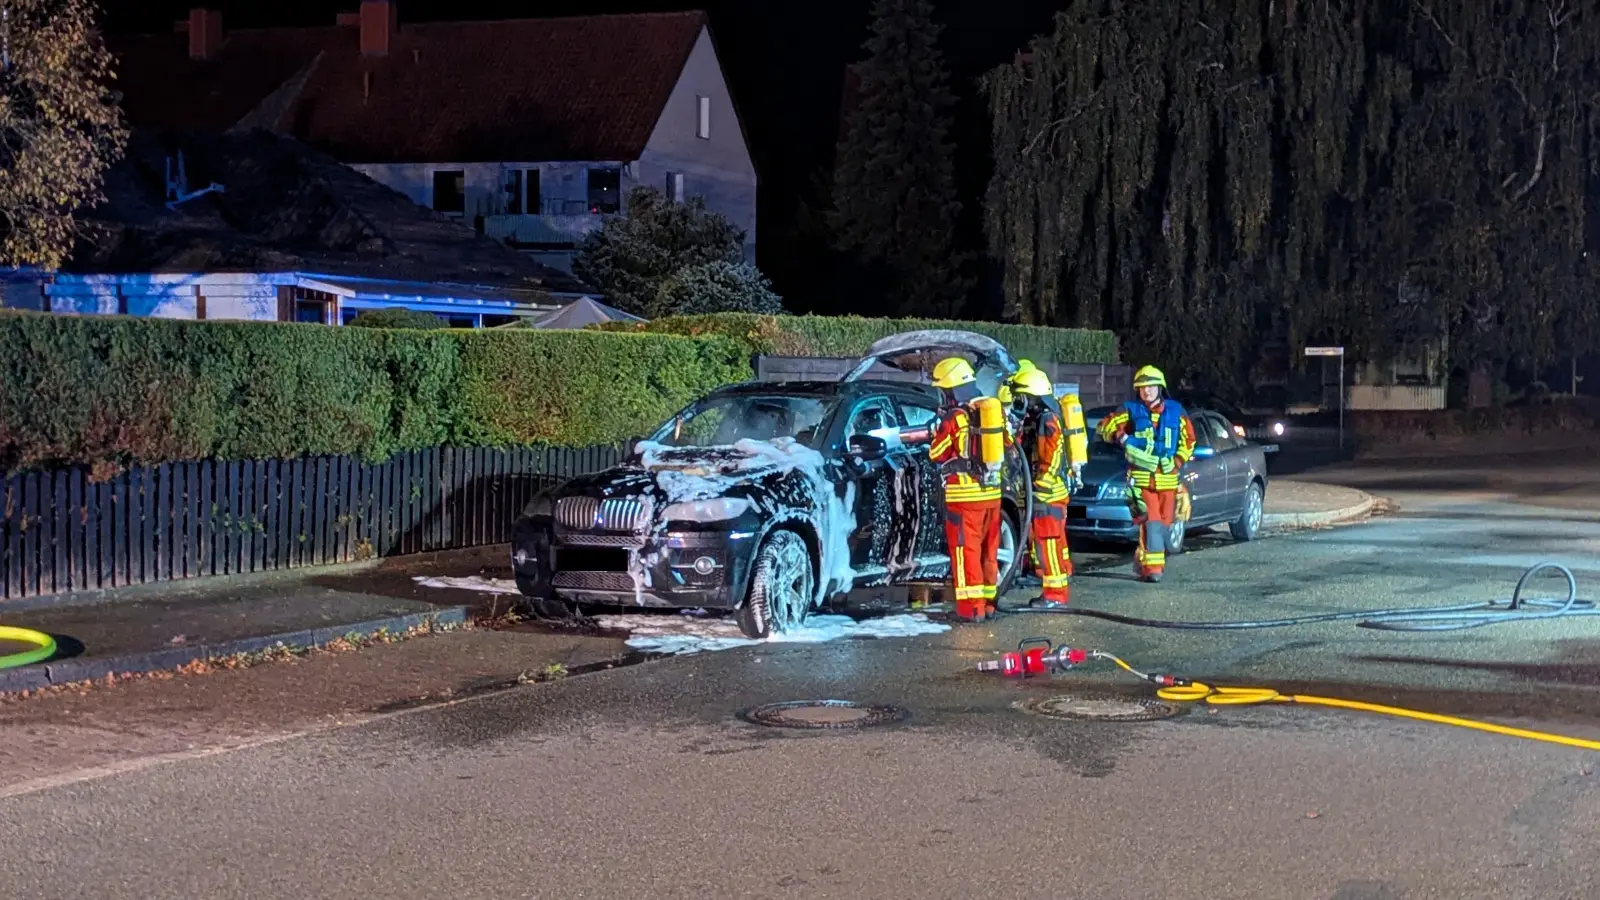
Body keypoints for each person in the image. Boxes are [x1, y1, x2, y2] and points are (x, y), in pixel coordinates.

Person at [927, 357, 1011, 622]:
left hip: (964, 498)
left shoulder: (955, 417)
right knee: (989, 550)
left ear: (950, 390)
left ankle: (970, 609)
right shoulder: (990, 411)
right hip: (992, 495)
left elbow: (936, 453)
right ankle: (988, 605)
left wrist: (935, 431)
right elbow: (1008, 443)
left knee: (966, 552)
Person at [1095, 365, 1195, 583]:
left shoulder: (1176, 411)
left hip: (1168, 480)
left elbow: (1189, 440)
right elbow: (1104, 427)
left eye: (1150, 386)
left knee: (1165, 524)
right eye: (1142, 387)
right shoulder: (1129, 409)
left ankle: (1143, 559)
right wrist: (1121, 438)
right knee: (1151, 522)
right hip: (1141, 479)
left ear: (1160, 387)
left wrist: (1177, 460)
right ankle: (1153, 570)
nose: (1146, 391)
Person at [1010, 368, 1078, 607]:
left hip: (1047, 494)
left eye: (1021, 396)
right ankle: (1055, 589)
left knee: (1048, 543)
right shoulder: (1039, 419)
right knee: (1052, 542)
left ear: (1033, 396)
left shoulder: (1047, 421)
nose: (1019, 401)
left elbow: (1053, 453)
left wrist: (1040, 483)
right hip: (1048, 492)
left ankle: (1055, 595)